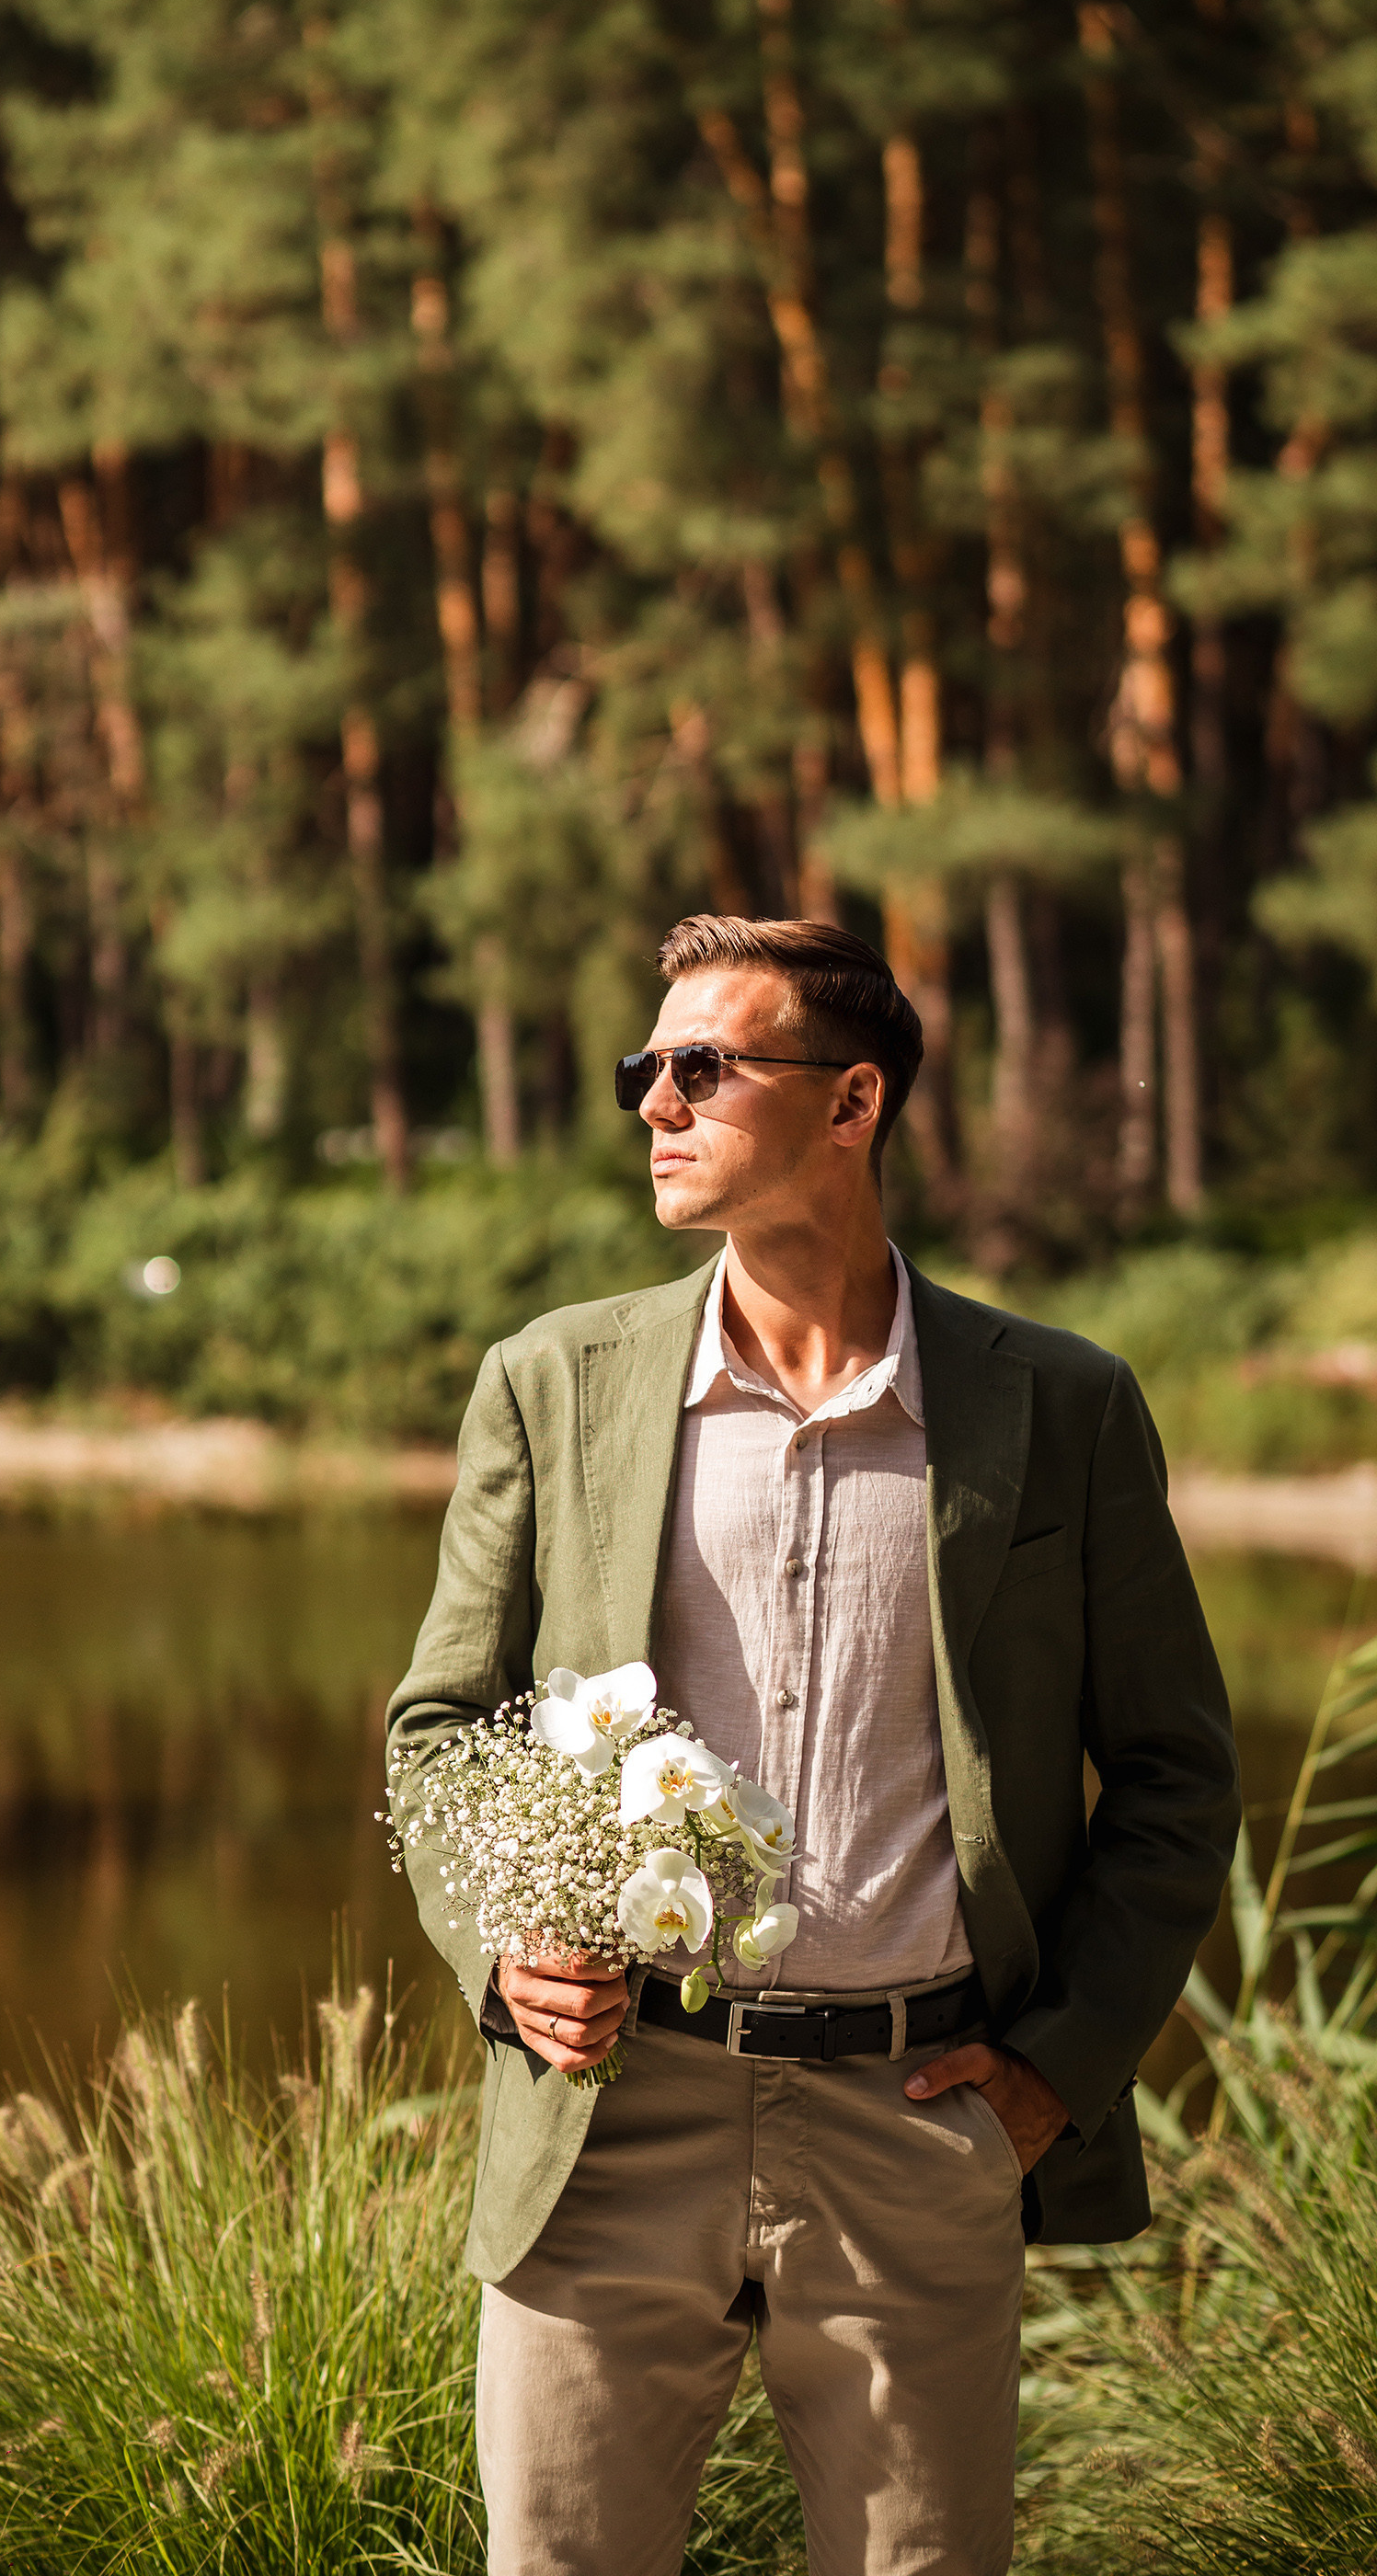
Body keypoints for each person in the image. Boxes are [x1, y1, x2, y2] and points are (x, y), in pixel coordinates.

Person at [385, 914, 1239, 2576]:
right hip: (608, 2116)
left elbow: (1175, 1777)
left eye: (704, 1067)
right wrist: (502, 1952)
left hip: (920, 2121)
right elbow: (439, 1735)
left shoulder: (1061, 1405)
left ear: (852, 1104)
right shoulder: (552, 1383)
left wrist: (1055, 2071)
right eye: (647, 1069)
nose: (654, 1103)